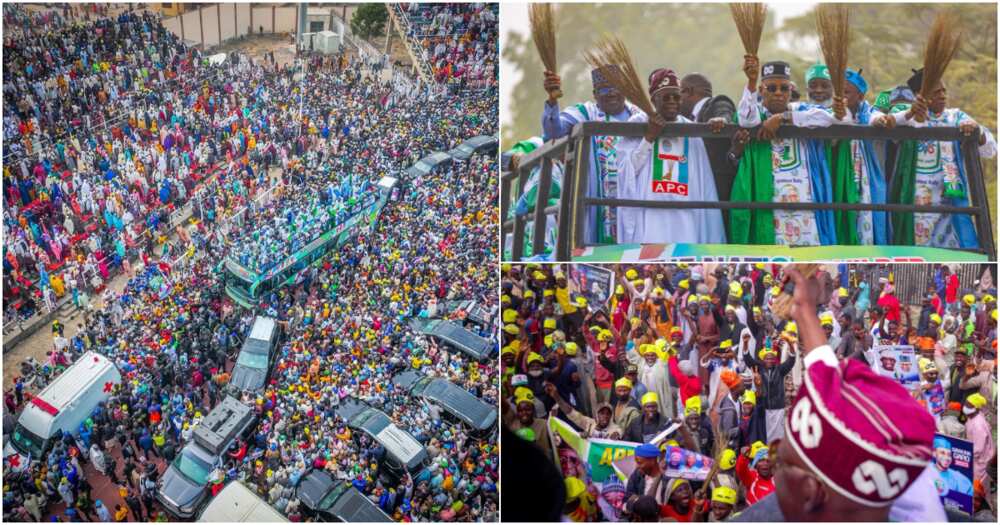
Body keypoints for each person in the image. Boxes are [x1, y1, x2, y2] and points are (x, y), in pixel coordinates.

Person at [736, 267, 937, 522]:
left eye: (779, 457)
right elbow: (827, 372)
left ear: (810, 492)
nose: (772, 462)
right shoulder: (902, 477)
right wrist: (803, 310)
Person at [730, 57, 839, 246]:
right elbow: (745, 118)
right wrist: (751, 81)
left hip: (805, 203)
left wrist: (784, 117)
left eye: (784, 88)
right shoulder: (757, 115)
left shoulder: (802, 111)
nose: (778, 93)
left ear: (791, 91)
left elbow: (829, 118)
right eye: (772, 88)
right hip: (770, 202)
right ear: (762, 90)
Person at [615, 68, 726, 244]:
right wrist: (649, 137)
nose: (672, 102)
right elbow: (626, 173)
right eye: (666, 97)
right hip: (650, 215)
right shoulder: (638, 123)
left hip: (686, 215)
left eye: (676, 97)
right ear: (653, 100)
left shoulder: (691, 129)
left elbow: (704, 182)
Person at [891, 68, 997, 248]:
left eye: (943, 91)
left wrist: (975, 131)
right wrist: (912, 112)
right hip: (916, 199)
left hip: (949, 199)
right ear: (920, 96)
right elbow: (890, 126)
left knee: (957, 245)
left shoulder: (956, 116)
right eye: (936, 92)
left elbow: (991, 150)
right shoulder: (909, 117)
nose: (942, 96)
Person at [542, 65, 646, 244]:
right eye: (604, 89)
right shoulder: (585, 113)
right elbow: (553, 132)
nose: (611, 93)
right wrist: (552, 100)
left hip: (637, 200)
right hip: (597, 206)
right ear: (595, 94)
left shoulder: (642, 115)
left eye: (616, 87)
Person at [679, 72, 738, 205]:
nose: (677, 101)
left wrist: (721, 120)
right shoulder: (689, 118)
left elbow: (724, 110)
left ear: (687, 92)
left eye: (678, 95)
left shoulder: (716, 102)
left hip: (719, 192)